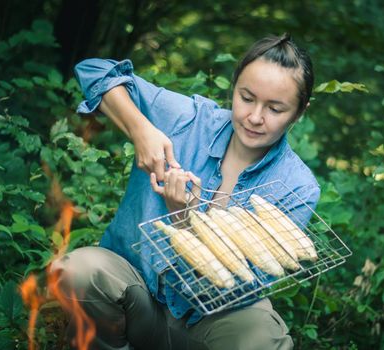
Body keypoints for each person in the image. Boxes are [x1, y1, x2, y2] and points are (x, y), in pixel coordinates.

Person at [51, 33, 320, 350]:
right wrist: (141, 130)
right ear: (233, 88)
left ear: (300, 112)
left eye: (275, 108)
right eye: (247, 98)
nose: (255, 117)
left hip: (211, 321)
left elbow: (243, 285)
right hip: (137, 293)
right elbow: (94, 70)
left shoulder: (296, 185)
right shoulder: (186, 120)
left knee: (263, 340)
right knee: (80, 270)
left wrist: (185, 219)